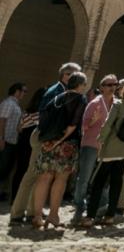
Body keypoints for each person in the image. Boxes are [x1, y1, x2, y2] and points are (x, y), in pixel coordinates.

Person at [9, 62, 81, 225]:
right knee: (32, 174)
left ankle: (32, 211)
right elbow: (44, 115)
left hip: (48, 137)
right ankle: (17, 213)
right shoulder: (56, 91)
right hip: (44, 137)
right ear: (66, 75)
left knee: (40, 175)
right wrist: (49, 138)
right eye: (75, 75)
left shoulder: (62, 90)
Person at [79, 77, 124, 227]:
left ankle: (89, 216)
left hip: (111, 148)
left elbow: (108, 125)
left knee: (99, 182)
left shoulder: (118, 104)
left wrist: (100, 140)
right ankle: (110, 216)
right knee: (117, 182)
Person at [32, 71, 88, 229]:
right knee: (60, 179)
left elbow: (43, 119)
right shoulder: (80, 99)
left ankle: (37, 216)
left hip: (47, 142)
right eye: (84, 84)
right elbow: (72, 125)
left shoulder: (57, 97)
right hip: (66, 144)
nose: (85, 87)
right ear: (80, 85)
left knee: (44, 178)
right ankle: (53, 215)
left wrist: (49, 141)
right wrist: (58, 142)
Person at [73, 74, 118, 222]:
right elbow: (83, 127)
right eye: (109, 85)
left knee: (103, 179)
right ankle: (79, 205)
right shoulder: (94, 103)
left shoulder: (118, 104)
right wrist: (93, 120)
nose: (113, 87)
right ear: (102, 87)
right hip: (91, 145)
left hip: (107, 148)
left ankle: (102, 206)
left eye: (115, 84)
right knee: (85, 177)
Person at [0, 82, 26, 201]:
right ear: (17, 91)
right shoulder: (9, 103)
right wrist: (1, 138)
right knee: (2, 167)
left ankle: (2, 191)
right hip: (6, 140)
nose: (24, 94)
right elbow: (2, 121)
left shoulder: (15, 105)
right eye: (23, 91)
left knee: (6, 168)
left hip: (12, 140)